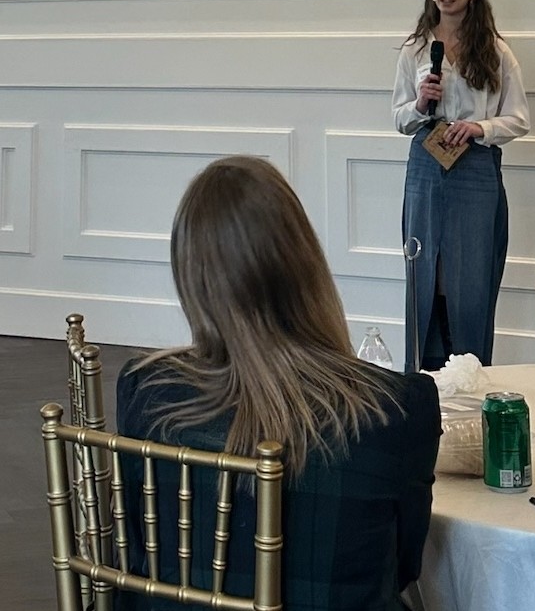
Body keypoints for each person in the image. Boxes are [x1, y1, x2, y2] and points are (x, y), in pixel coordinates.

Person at [116, 155, 441, 611]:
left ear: (190, 275)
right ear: (306, 263)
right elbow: (405, 567)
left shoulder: (146, 390)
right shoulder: (397, 409)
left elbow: (135, 549)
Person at [393, 0, 530, 371]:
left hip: (475, 169)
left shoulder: (495, 51)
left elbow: (519, 119)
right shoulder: (416, 49)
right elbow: (399, 118)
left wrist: (478, 128)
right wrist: (420, 103)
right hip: (425, 164)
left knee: (469, 277)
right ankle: (425, 378)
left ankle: (470, 375)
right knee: (425, 271)